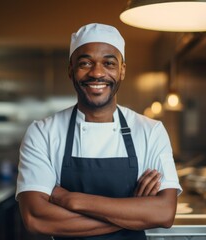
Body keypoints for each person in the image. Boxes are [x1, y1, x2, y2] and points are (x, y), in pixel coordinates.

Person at [16, 23, 182, 240]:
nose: (97, 73)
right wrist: (133, 211)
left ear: (122, 70)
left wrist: (73, 200)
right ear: (70, 70)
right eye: (85, 63)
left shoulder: (151, 131)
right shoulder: (42, 133)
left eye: (109, 63)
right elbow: (36, 219)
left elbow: (164, 213)